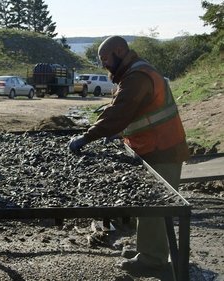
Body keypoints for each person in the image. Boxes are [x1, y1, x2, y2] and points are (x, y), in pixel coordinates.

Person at [68, 36, 189, 272]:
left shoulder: (137, 76)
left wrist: (86, 137)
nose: (104, 65)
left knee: (155, 207)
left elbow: (119, 112)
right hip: (152, 146)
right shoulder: (132, 73)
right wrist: (119, 131)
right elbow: (134, 112)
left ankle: (152, 259)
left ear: (120, 51)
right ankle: (147, 249)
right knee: (147, 203)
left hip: (163, 148)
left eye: (106, 59)